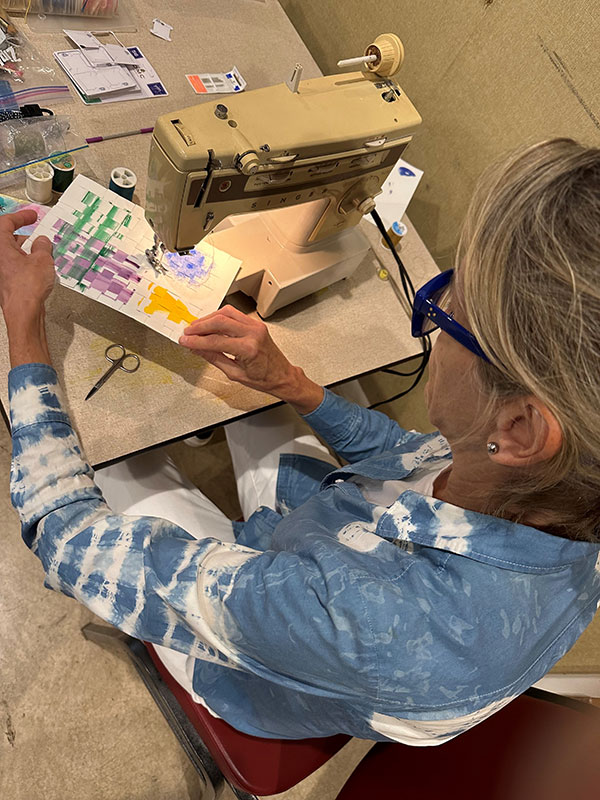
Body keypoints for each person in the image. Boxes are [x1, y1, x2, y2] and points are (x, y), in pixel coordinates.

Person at [4, 138, 600, 746]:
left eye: (449, 313)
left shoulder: (370, 618)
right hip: (333, 533)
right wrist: (290, 383)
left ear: (520, 428)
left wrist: (23, 325)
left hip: (264, 666)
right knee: (253, 402)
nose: (436, 311)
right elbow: (411, 457)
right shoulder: (556, 488)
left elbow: (66, 535)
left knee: (117, 457)